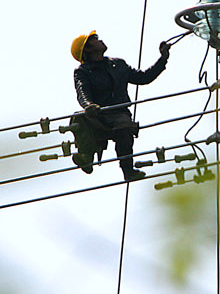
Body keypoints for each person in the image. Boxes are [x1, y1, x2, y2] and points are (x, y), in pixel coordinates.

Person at [70, 31, 171, 181]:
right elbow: (82, 91)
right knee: (79, 118)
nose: (100, 40)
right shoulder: (82, 72)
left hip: (119, 113)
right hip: (99, 115)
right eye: (95, 39)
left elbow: (143, 77)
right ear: (88, 49)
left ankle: (128, 170)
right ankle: (86, 156)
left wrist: (162, 59)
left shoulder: (118, 65)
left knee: (123, 125)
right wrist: (89, 106)